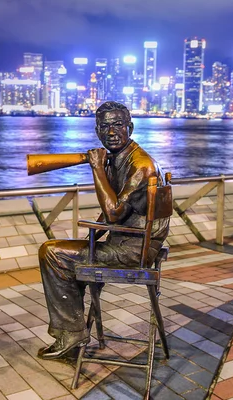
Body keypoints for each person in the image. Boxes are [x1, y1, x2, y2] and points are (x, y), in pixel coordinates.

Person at [37, 101, 170, 360]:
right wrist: (93, 236)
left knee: (51, 253)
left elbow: (113, 213)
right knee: (68, 254)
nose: (111, 131)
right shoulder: (121, 158)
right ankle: (73, 328)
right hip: (131, 242)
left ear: (130, 127)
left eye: (118, 124)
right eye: (105, 126)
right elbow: (112, 211)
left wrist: (96, 167)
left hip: (133, 250)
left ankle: (72, 332)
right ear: (97, 131)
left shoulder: (141, 165)